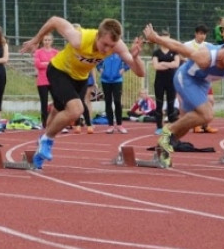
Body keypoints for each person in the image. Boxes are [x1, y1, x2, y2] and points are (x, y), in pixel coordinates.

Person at [20, 17, 145, 170]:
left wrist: (136, 57)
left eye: (110, 46)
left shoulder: (117, 46)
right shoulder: (79, 38)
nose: (106, 50)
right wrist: (36, 39)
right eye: (104, 44)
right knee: (76, 109)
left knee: (59, 110)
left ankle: (41, 146)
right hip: (60, 70)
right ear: (97, 36)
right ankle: (47, 140)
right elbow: (54, 21)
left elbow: (140, 73)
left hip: (80, 78)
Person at [144, 24, 224, 167]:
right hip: (186, 78)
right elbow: (179, 47)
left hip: (202, 84)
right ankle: (168, 130)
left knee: (189, 123)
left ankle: (163, 148)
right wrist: (156, 38)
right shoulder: (205, 56)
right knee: (207, 115)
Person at [186, 24, 218, 134]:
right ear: (196, 34)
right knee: (197, 102)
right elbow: (180, 55)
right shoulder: (188, 45)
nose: (202, 36)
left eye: (204, 34)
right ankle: (196, 125)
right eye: (200, 34)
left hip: (205, 78)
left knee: (211, 100)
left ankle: (206, 125)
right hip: (193, 78)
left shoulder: (208, 46)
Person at [150, 29, 180, 133]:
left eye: (167, 39)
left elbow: (176, 64)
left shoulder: (174, 51)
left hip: (171, 81)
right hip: (159, 82)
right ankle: (159, 126)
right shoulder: (156, 52)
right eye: (163, 39)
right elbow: (156, 66)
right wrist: (169, 64)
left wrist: (163, 64)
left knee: (171, 104)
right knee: (159, 104)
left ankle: (171, 126)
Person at [98, 52, 128, 134]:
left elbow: (129, 62)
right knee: (108, 101)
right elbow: (97, 62)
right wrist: (100, 69)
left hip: (117, 80)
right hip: (105, 80)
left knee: (117, 101)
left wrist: (123, 69)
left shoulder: (120, 52)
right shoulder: (104, 51)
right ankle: (110, 125)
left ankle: (119, 125)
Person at [32, 33, 57, 129]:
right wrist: (50, 63)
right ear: (42, 41)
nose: (47, 42)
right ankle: (45, 123)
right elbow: (38, 64)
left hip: (53, 80)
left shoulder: (56, 52)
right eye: (45, 40)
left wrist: (45, 64)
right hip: (42, 81)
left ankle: (56, 121)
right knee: (44, 102)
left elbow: (57, 64)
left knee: (57, 102)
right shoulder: (38, 52)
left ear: (52, 41)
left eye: (49, 40)